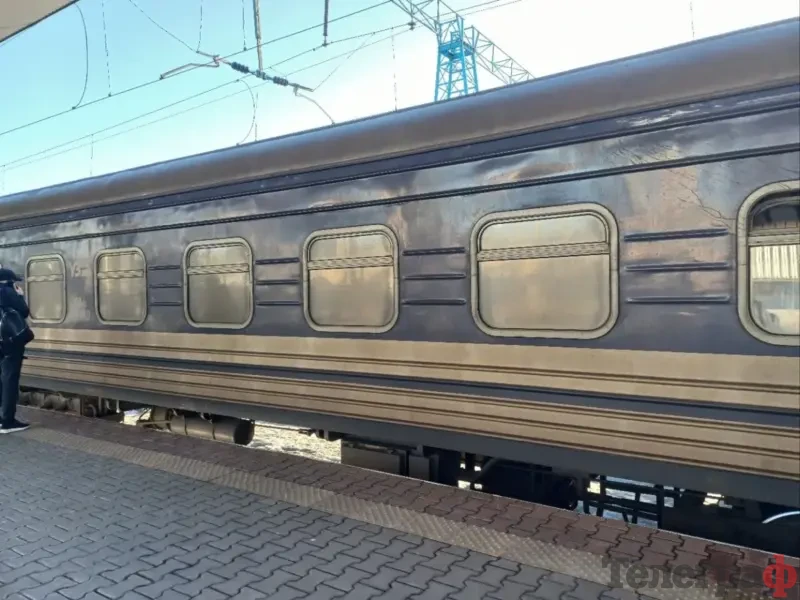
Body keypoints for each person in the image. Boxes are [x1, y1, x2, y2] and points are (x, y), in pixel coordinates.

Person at [0, 267, 32, 433]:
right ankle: (8, 421)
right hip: (11, 343)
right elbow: (24, 311)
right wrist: (20, 296)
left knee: (1, 379)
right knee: (10, 380)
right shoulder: (6, 292)